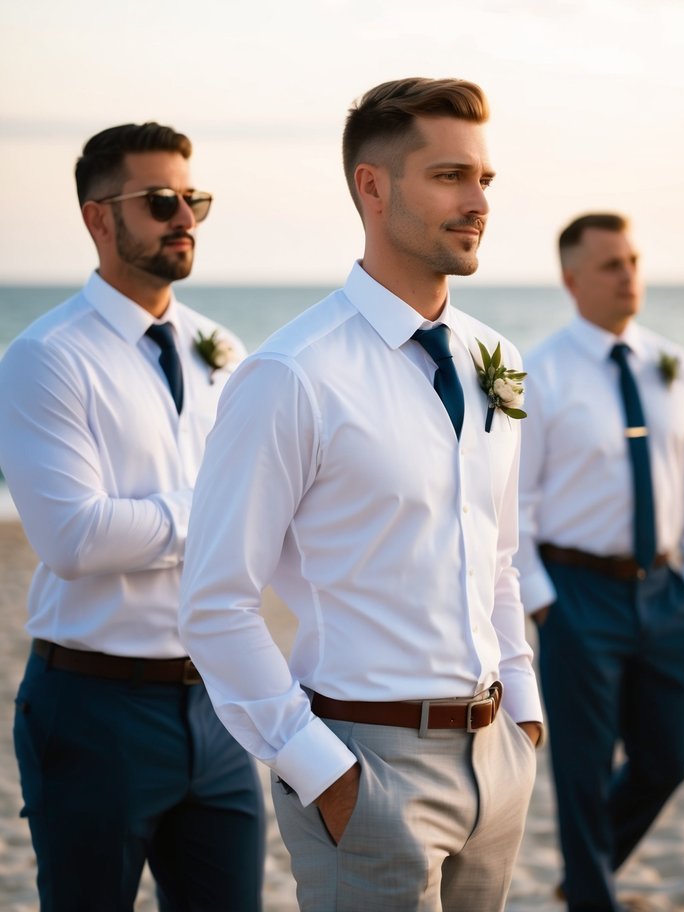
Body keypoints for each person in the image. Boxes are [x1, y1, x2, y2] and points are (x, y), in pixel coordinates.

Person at [179, 77, 544, 912]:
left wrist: (522, 718)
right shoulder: (291, 375)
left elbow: (496, 560)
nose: (477, 200)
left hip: (495, 762)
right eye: (450, 176)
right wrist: (321, 771)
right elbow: (214, 603)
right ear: (371, 188)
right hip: (365, 765)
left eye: (484, 179)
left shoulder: (498, 358)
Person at [0, 123, 265, 912]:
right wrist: (218, 511)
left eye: (194, 200)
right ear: (98, 217)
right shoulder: (46, 358)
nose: (183, 218)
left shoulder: (223, 347)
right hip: (93, 710)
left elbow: (269, 510)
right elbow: (74, 538)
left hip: (218, 706)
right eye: (160, 202)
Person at [516, 213, 684, 912]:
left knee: (670, 757)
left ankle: (583, 877)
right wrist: (543, 602)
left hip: (666, 593)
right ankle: (591, 899)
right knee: (580, 770)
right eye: (609, 265)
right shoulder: (539, 375)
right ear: (571, 280)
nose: (627, 274)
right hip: (576, 593)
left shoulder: (673, 365)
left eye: (632, 260)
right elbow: (515, 502)